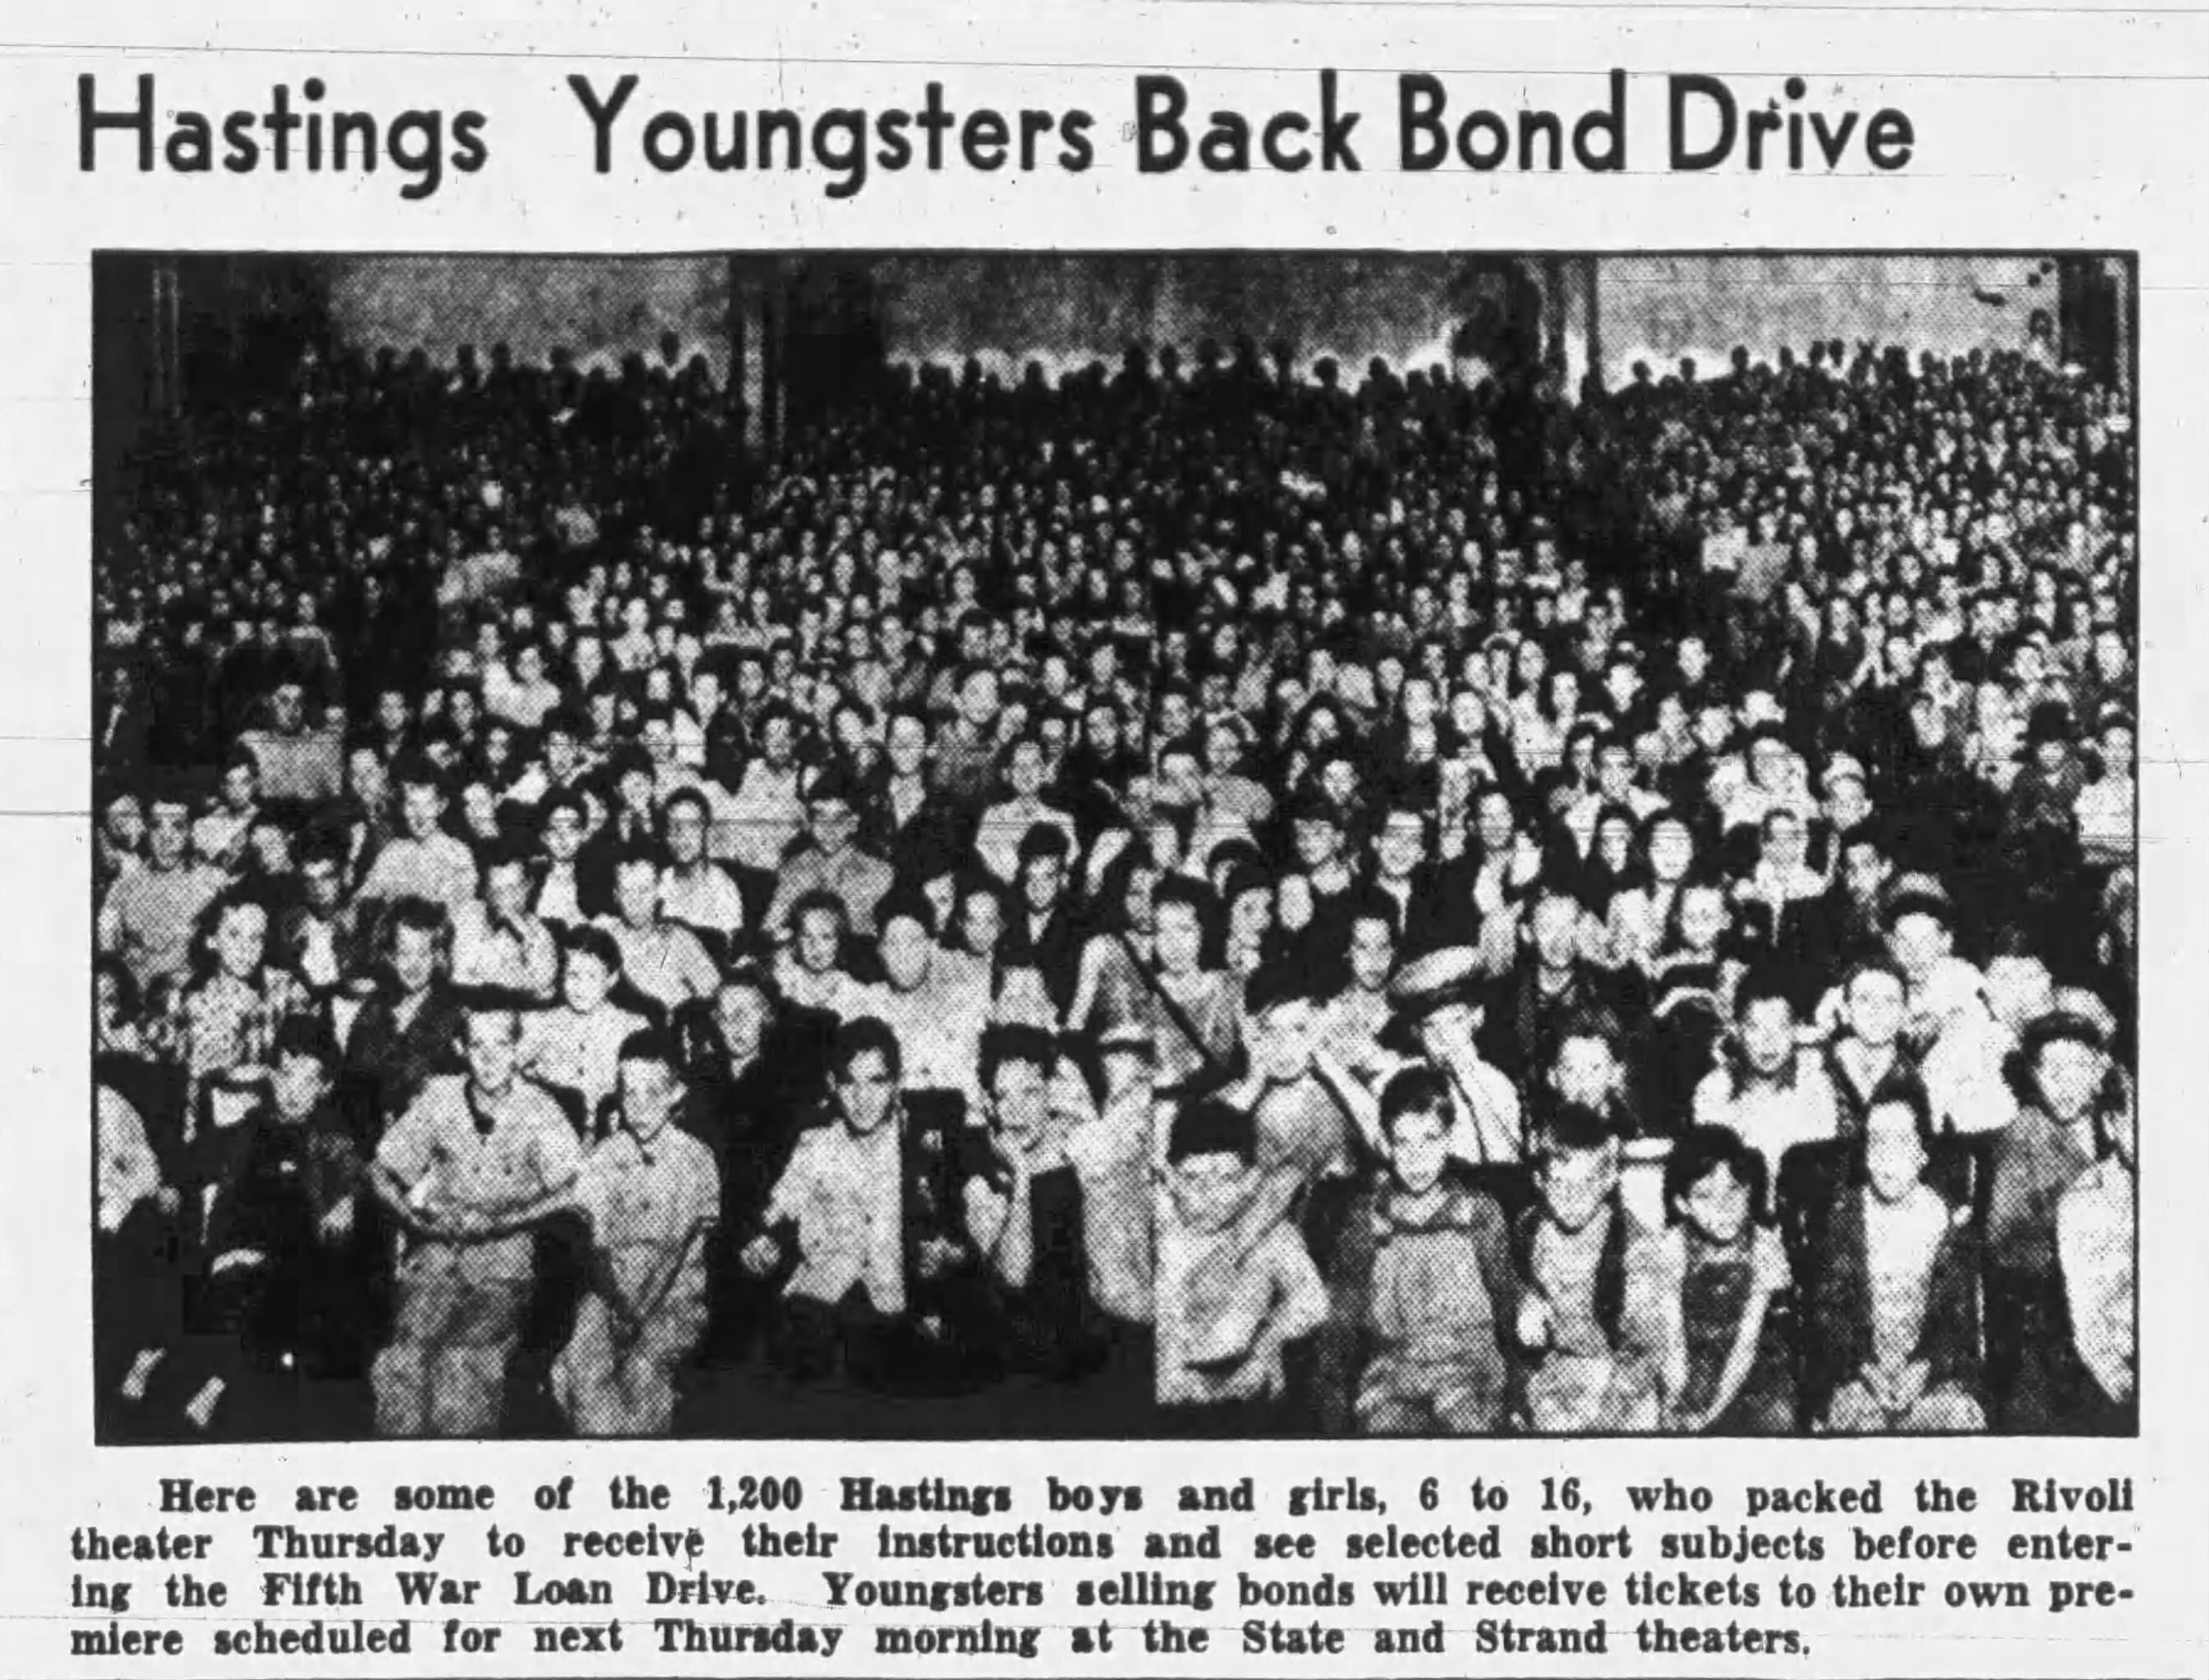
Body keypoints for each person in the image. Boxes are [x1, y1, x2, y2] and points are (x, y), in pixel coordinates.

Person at [368, 1004, 585, 1438]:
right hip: (437, 1254)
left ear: (518, 1049)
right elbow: (379, 1171)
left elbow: (576, 1191)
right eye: (477, 1045)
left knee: (464, 1359)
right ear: (460, 1048)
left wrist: (504, 1221)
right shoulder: (441, 1098)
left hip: (503, 1265)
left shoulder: (539, 1109)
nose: (489, 1058)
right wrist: (416, 1220)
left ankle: (464, 1481)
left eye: (501, 1044)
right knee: (402, 1357)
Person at [1322, 1066, 1519, 1435]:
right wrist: (1333, 1420)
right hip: (1394, 1373)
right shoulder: (1368, 1218)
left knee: (1469, 1432)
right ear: (1386, 1143)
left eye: (1430, 1139)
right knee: (1389, 1435)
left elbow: (1507, 1305)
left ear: (1449, 1139)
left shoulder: (1479, 1212)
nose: (1417, 1158)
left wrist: (1517, 1395)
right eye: (1403, 1143)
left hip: (1470, 1370)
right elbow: (1340, 1329)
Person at [553, 1029, 720, 1436]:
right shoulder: (607, 1155)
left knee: (641, 1371)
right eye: (630, 1093)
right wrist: (616, 1305)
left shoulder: (694, 1158)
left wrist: (637, 1315)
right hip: (610, 1293)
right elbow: (596, 1244)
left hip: (672, 1299)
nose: (640, 1106)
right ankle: (602, 1456)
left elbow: (673, 1251)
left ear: (676, 1093)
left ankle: (636, 1458)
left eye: (653, 1092)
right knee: (573, 1369)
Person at [1803, 1089, 1986, 1434]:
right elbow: (1831, 1313)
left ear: (1922, 1154)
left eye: (1901, 1143)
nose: (1887, 1159)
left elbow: (1956, 1317)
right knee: (1857, 1424)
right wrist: (1867, 1370)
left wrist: (1924, 1369)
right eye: (1877, 1143)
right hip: (1859, 1374)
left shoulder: (1946, 1218)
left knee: (1957, 1419)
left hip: (1930, 1373)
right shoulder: (1843, 1217)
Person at [1154, 1097, 1328, 1428]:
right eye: (1193, 1179)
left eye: (1226, 1178)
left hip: (1246, 1399)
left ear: (1250, 1181)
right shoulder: (1166, 1236)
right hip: (1171, 1404)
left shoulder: (1272, 1234)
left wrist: (1271, 1336)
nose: (1210, 1195)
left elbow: (1314, 1302)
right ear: (1171, 1178)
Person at [1648, 1126, 1795, 1434]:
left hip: (1753, 1371)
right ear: (1682, 1204)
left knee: (1778, 1418)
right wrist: (1679, 1401)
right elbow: (1673, 1341)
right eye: (1704, 1196)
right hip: (1692, 1362)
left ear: (1749, 1189)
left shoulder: (1764, 1246)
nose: (1723, 1208)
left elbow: (1746, 1344)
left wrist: (1711, 1414)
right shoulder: (1673, 1245)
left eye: (1733, 1190)